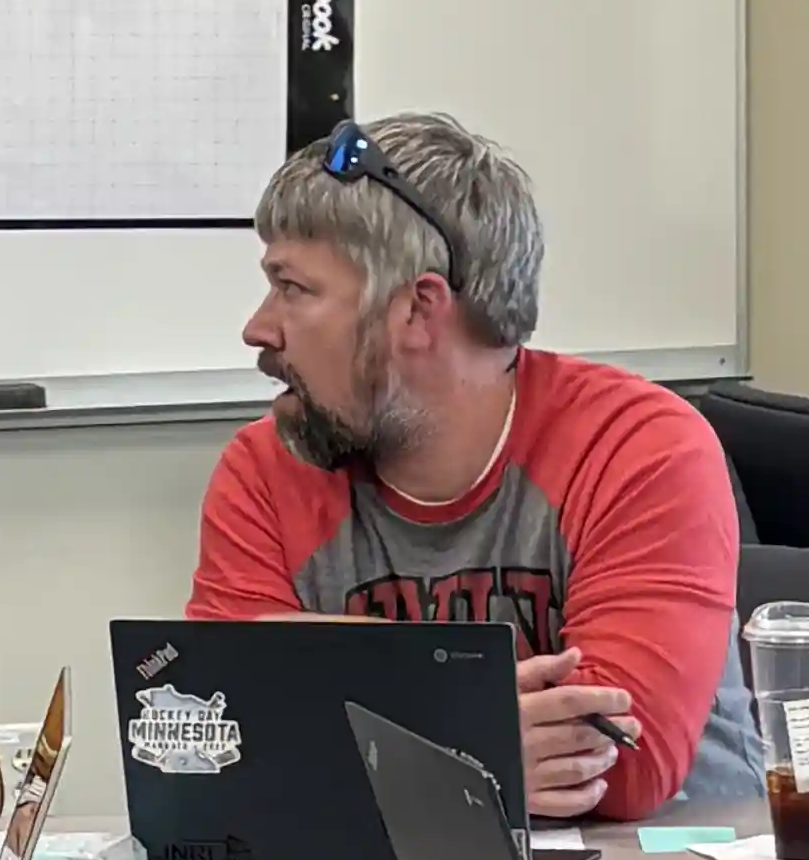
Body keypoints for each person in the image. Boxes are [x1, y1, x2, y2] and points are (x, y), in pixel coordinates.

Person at [190, 115, 762, 820]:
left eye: (293, 288)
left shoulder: (640, 447)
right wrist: (478, 739)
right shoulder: (262, 471)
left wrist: (325, 710)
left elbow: (621, 764)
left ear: (418, 311)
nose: (259, 327)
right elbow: (224, 748)